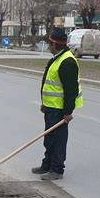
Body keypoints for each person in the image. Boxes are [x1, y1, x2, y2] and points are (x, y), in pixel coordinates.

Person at [32, 28, 83, 180]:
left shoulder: (67, 62)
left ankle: (57, 169)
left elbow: (71, 90)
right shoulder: (57, 57)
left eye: (49, 42)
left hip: (60, 109)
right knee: (49, 138)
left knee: (58, 140)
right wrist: (44, 103)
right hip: (51, 106)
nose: (48, 45)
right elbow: (51, 85)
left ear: (54, 44)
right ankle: (47, 164)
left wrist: (68, 112)